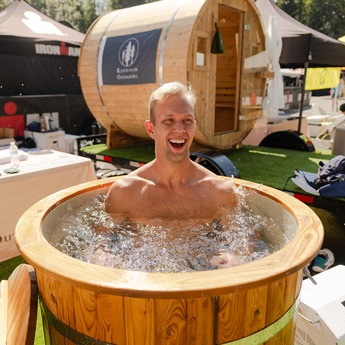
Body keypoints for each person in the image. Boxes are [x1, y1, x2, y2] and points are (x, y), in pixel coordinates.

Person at [104, 81, 238, 221]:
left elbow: (246, 242)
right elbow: (104, 242)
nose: (180, 129)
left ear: (194, 126)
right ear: (151, 129)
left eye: (187, 120)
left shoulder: (220, 193)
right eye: (169, 120)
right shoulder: (124, 194)